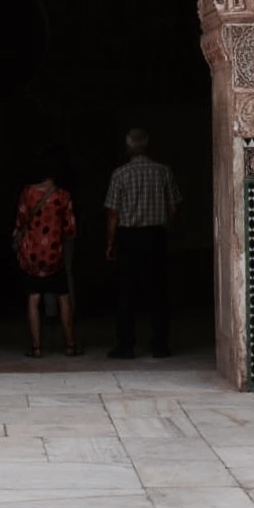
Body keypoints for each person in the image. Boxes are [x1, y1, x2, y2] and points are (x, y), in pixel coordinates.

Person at [104, 127, 181, 359]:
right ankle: (160, 345)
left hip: (129, 237)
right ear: (146, 144)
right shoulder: (163, 171)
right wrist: (165, 226)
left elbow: (113, 213)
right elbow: (174, 206)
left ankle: (125, 346)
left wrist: (110, 242)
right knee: (158, 291)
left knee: (127, 293)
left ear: (128, 147)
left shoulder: (120, 174)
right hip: (155, 236)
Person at [13, 162, 79, 357]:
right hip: (54, 255)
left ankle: (36, 347)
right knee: (63, 297)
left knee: (33, 298)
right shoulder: (63, 196)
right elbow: (70, 230)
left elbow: (20, 220)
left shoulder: (27, 193)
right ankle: (70, 345)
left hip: (32, 256)